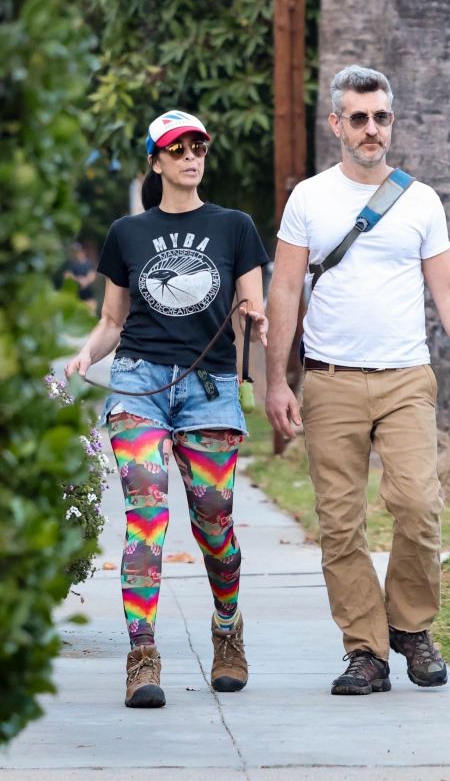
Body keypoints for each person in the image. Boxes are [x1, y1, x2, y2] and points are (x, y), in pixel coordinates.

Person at [265, 65, 450, 696]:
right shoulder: (309, 199)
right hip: (330, 380)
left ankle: (410, 628)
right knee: (342, 522)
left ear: (391, 122)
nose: (371, 129)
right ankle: (365, 651)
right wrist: (276, 383)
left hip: (406, 377)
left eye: (381, 117)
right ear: (336, 125)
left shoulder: (421, 200)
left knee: (418, 507)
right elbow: (286, 288)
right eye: (359, 118)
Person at [66, 109, 269, 708]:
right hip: (138, 385)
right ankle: (142, 655)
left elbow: (251, 301)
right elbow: (112, 320)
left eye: (198, 146)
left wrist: (255, 318)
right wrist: (83, 358)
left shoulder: (235, 226)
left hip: (208, 387)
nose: (190, 156)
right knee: (147, 512)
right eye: (176, 148)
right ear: (155, 162)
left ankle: (227, 629)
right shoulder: (127, 233)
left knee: (214, 520)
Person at [64, 241, 98, 315]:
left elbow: (91, 277)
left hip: (89, 298)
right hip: (75, 298)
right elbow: (67, 276)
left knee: (90, 317)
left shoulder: (89, 264)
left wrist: (82, 280)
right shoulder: (72, 264)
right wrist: (80, 280)